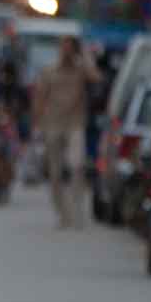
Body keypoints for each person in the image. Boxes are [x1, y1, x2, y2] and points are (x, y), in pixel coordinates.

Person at [32, 36, 100, 229]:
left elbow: (96, 77)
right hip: (52, 124)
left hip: (75, 124)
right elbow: (39, 98)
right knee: (54, 173)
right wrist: (36, 125)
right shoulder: (49, 72)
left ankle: (76, 208)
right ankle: (62, 213)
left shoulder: (81, 70)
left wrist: (85, 56)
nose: (66, 52)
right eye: (64, 48)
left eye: (70, 49)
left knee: (77, 165)